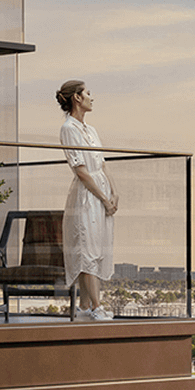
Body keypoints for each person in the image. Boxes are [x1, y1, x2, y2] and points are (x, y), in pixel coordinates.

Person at [57, 80, 118, 321]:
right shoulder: (68, 128)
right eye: (88, 93)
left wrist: (114, 192)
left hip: (100, 191)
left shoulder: (90, 130)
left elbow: (101, 163)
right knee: (87, 249)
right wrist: (103, 198)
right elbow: (81, 171)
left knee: (97, 248)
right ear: (77, 98)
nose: (92, 97)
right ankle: (96, 306)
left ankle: (84, 307)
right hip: (86, 196)